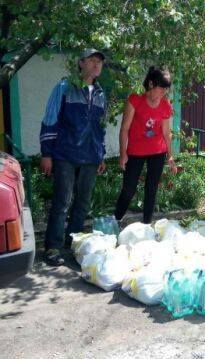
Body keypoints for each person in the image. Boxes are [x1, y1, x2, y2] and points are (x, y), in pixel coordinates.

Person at [39, 49, 107, 266]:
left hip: (90, 156)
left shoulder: (100, 94)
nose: (97, 65)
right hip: (65, 154)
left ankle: (74, 244)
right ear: (81, 63)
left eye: (100, 62)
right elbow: (50, 119)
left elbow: (100, 129)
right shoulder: (64, 88)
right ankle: (52, 247)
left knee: (83, 203)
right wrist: (46, 153)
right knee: (62, 202)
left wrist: (101, 155)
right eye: (92, 60)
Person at [114, 66, 176, 224]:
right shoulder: (135, 100)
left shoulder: (165, 105)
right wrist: (123, 154)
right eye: (161, 89)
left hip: (157, 152)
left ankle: (147, 225)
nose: (163, 93)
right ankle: (115, 220)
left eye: (165, 90)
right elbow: (124, 129)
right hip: (135, 152)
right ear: (150, 84)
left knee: (151, 189)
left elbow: (166, 132)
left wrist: (170, 156)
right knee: (129, 189)